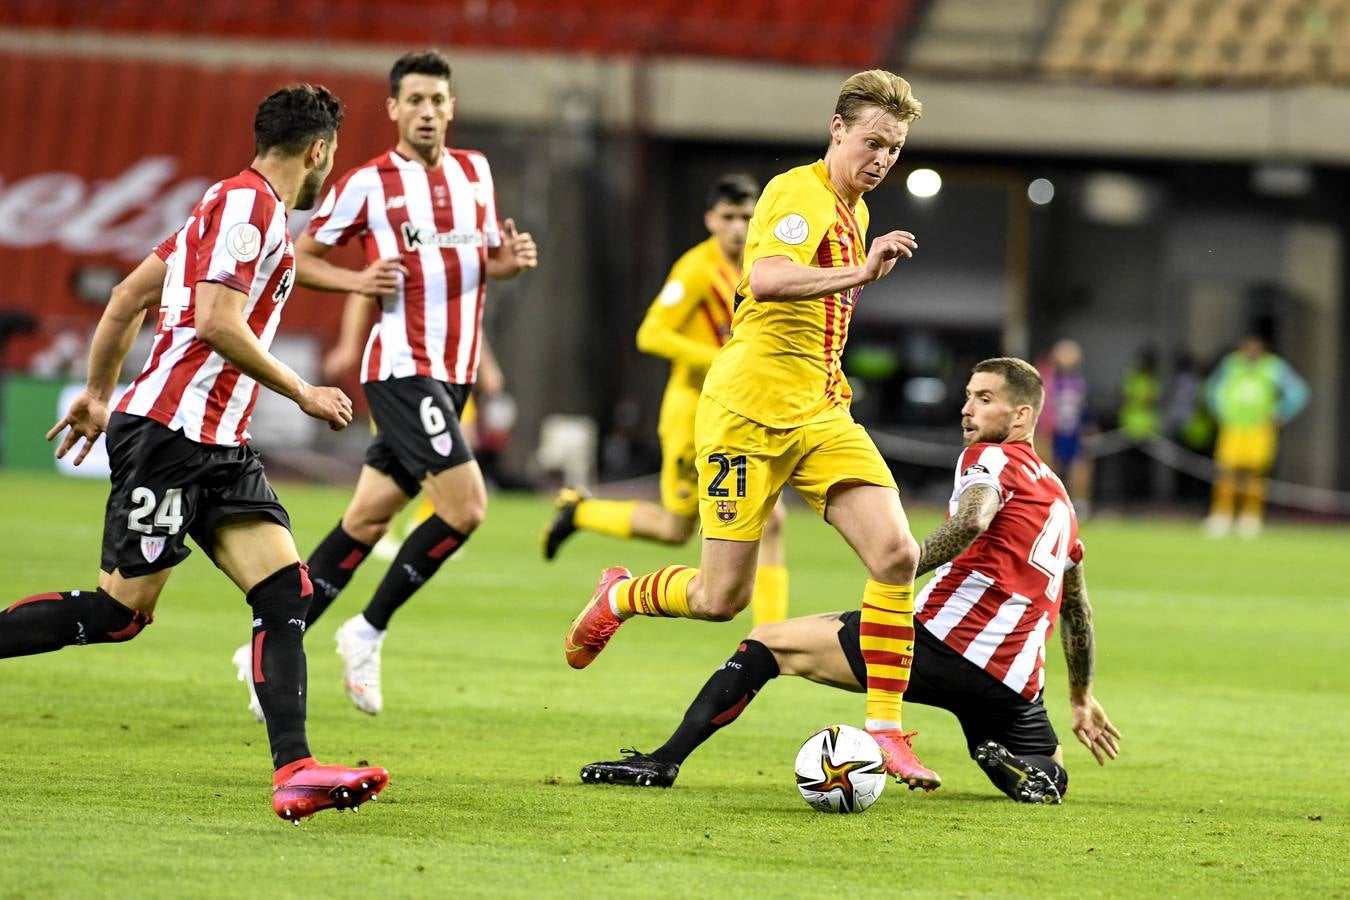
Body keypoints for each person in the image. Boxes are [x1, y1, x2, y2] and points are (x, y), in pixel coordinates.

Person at [5, 84, 389, 822]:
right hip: (173, 439)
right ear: (317, 150)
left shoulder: (225, 206)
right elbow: (215, 320)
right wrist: (303, 390)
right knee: (121, 615)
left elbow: (126, 296)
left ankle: (296, 771)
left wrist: (94, 392)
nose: (328, 171)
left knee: (287, 591)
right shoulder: (247, 210)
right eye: (330, 158)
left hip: (215, 443)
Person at [563, 70, 941, 789]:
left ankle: (886, 731)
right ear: (837, 130)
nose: (884, 157)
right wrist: (859, 274)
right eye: (873, 141)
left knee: (895, 555)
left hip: (823, 411)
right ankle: (617, 596)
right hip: (747, 415)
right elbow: (766, 279)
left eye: (895, 146)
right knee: (718, 598)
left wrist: (857, 269)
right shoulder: (797, 194)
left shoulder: (856, 210)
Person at [580, 358, 1120, 804]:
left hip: (939, 644)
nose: (966, 408)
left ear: (1021, 414)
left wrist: (903, 566)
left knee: (769, 643)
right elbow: (1078, 609)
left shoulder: (990, 457)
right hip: (1015, 680)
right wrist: (1081, 697)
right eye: (968, 395)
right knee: (1048, 767)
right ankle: (1024, 767)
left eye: (983, 398)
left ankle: (663, 760)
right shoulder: (1058, 497)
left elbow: (975, 516)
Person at [234, 51, 537, 719]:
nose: (428, 112)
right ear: (394, 110)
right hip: (402, 368)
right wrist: (356, 281)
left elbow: (478, 263)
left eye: (438, 100)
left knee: (367, 519)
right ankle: (364, 631)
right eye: (415, 101)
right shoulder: (368, 184)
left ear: (451, 107)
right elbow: (299, 255)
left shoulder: (476, 174)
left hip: (453, 375)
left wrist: (506, 266)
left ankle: (270, 641)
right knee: (466, 508)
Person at [542, 174, 790, 626]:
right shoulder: (695, 269)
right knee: (676, 530)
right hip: (693, 414)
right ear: (710, 219)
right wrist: (719, 358)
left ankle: (770, 638)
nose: (738, 227)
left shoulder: (759, 264)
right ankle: (580, 511)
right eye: (729, 217)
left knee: (770, 519)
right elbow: (651, 334)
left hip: (740, 411)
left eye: (747, 217)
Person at [1203, 332, 1308, 538]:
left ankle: (1251, 517)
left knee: (1255, 474)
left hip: (1259, 428)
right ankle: (1222, 514)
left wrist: (1279, 413)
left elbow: (1298, 392)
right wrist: (1220, 412)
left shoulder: (1273, 367)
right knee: (1226, 471)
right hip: (1234, 427)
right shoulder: (1231, 364)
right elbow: (1211, 389)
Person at [1036, 339, 1093, 516]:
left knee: (1080, 468)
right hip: (1050, 432)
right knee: (1048, 469)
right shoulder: (1046, 378)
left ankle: (1080, 505)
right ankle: (1047, 504)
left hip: (1072, 431)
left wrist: (1088, 426)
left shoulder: (1078, 381)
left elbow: (1084, 407)